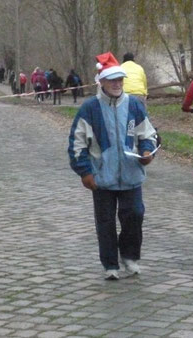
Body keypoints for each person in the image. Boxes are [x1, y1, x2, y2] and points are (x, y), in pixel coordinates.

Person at [68, 52, 158, 281]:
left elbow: (147, 134)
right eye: (112, 80)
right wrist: (85, 172)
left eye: (120, 80)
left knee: (135, 215)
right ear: (102, 82)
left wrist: (147, 151)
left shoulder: (135, 106)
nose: (117, 84)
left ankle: (129, 255)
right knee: (105, 221)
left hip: (131, 174)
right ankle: (110, 263)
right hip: (102, 177)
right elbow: (77, 143)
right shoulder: (90, 109)